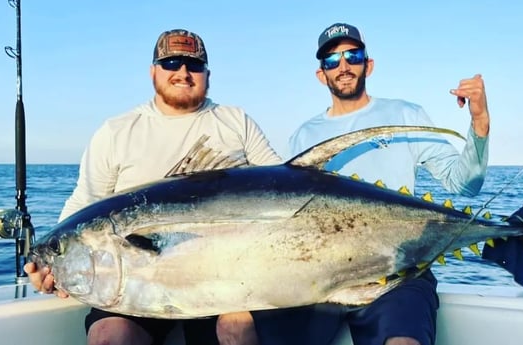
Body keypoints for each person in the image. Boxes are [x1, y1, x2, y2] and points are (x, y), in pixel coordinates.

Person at [24, 28, 281, 345]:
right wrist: (48, 263)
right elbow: (84, 203)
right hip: (136, 283)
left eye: (194, 65)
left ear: (207, 74)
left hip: (226, 276)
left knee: (237, 327)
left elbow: (282, 184)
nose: (183, 73)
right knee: (109, 336)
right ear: (153, 72)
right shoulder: (117, 131)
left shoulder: (234, 121)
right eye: (171, 63)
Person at [254, 23, 490, 345]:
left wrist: (479, 122)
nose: (344, 66)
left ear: (369, 64)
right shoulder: (303, 136)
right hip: (319, 277)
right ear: (321, 74)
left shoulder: (405, 114)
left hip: (396, 270)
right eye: (332, 60)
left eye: (353, 55)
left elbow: (464, 185)